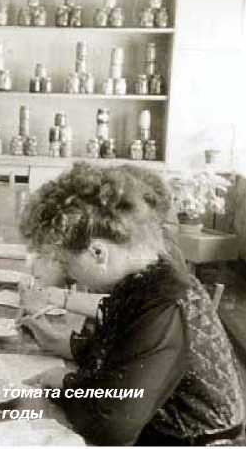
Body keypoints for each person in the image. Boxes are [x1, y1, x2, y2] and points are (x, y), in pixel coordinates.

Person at [17, 162, 245, 445]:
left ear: (98, 253)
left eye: (66, 262)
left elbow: (110, 424)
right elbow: (128, 352)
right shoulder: (144, 278)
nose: (69, 274)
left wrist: (66, 385)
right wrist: (64, 344)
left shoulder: (163, 301)